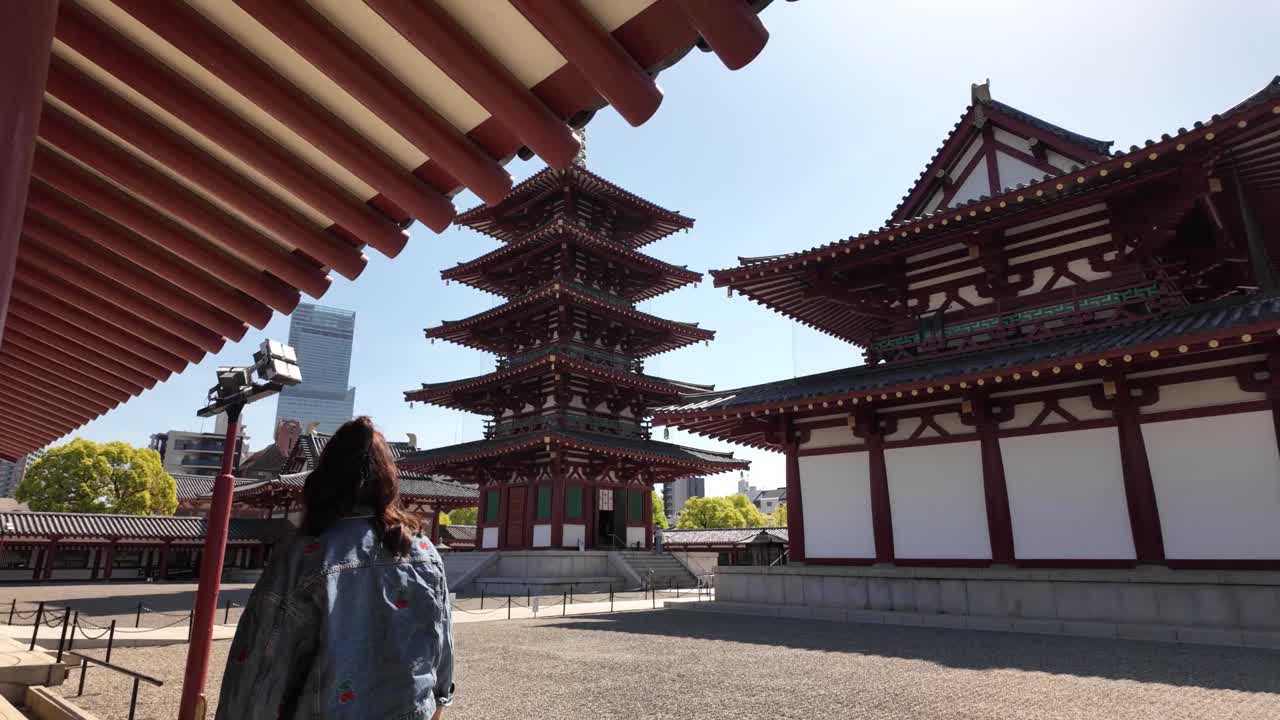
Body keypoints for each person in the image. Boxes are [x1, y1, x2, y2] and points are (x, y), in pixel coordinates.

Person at [216, 417, 454, 720]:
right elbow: (441, 644)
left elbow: (259, 666)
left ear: (324, 479)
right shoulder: (424, 552)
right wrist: (439, 700)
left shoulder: (304, 556)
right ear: (389, 481)